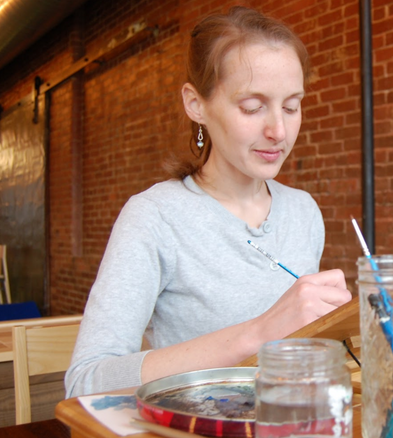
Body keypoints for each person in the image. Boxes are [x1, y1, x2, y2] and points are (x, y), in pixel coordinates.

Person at [65, 6, 352, 398]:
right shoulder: (155, 217)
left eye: (291, 106)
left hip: (290, 427)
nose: (279, 130)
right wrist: (257, 333)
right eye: (252, 107)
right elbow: (86, 380)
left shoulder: (304, 212)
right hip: (194, 433)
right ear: (195, 104)